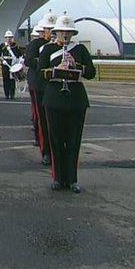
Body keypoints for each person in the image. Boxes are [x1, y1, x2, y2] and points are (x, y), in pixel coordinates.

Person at [39, 14, 96, 193]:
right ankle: (57, 178)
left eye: (68, 32)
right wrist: (57, 70)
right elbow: (41, 72)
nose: (65, 35)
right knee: (55, 140)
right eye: (62, 31)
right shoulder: (48, 50)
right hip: (54, 97)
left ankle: (72, 179)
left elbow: (91, 72)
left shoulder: (79, 49)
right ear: (56, 32)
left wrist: (76, 65)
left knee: (73, 141)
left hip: (75, 99)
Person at [26, 12, 57, 162]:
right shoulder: (35, 44)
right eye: (48, 29)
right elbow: (29, 61)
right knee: (41, 117)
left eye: (53, 29)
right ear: (43, 30)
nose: (50, 32)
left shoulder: (58, 46)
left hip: (54, 85)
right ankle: (45, 150)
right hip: (39, 84)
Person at [0, 30, 23, 100]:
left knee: (12, 80)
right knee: (5, 79)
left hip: (13, 64)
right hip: (5, 64)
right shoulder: (2, 45)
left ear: (12, 38)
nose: (8, 39)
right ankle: (6, 94)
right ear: (5, 38)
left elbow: (20, 55)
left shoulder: (15, 46)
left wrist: (19, 62)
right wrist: (3, 61)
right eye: (7, 37)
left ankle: (12, 94)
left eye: (10, 37)